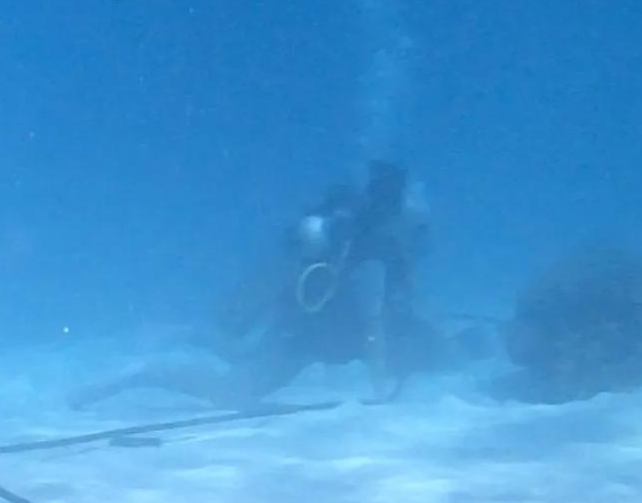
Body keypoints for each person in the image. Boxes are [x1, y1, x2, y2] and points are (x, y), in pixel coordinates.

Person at [80, 159, 440, 410]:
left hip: (302, 327)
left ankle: (186, 336)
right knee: (235, 391)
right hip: (303, 336)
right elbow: (373, 324)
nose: (423, 205)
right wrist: (379, 393)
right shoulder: (377, 250)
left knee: (241, 355)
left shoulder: (370, 242)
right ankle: (142, 373)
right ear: (397, 206)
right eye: (416, 197)